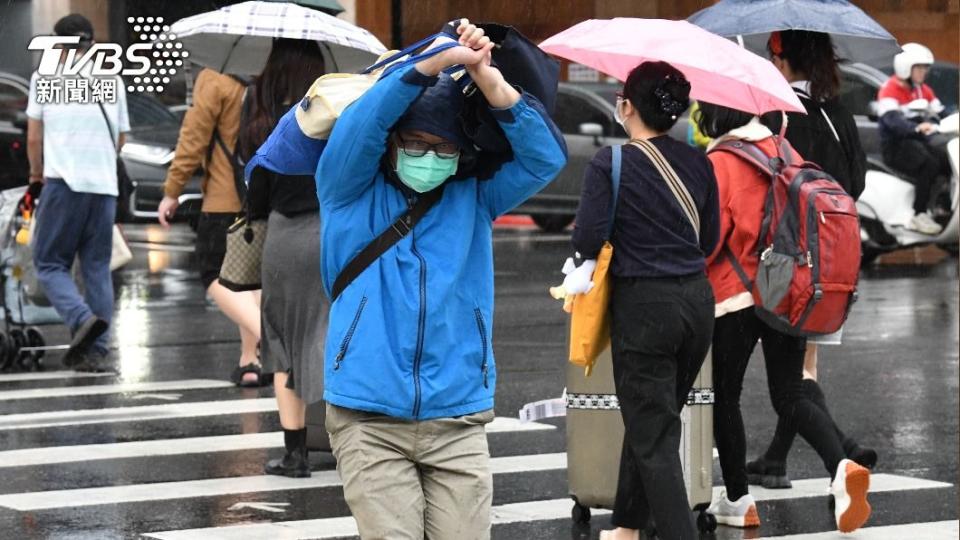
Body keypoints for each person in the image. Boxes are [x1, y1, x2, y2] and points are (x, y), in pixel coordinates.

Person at [316, 19, 566, 539]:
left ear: (462, 155)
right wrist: (428, 65)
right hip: (369, 418)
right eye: (416, 144)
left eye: (444, 150)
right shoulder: (348, 193)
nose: (429, 158)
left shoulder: (473, 198)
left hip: (457, 417)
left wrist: (487, 77)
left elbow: (547, 158)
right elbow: (358, 128)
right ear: (391, 145)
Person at [699, 101, 871, 533]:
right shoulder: (785, 149)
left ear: (717, 117)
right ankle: (841, 468)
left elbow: (712, 237)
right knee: (790, 393)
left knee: (726, 394)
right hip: (786, 290)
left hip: (735, 296)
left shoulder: (721, 160)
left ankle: (739, 500)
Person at [567, 61, 719, 540]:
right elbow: (710, 237)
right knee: (651, 417)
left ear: (627, 105)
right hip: (697, 302)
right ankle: (628, 526)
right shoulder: (700, 161)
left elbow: (588, 239)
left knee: (653, 433)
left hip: (644, 307)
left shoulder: (610, 163)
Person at [746, 29, 875, 490]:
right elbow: (856, 182)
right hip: (836, 261)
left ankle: (843, 452)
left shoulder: (777, 116)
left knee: (791, 374)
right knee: (804, 367)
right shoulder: (838, 113)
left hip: (785, 262)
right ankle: (777, 461)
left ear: (782, 60)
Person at [238, 38, 327, 477]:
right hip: (336, 232)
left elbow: (255, 193)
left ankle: (295, 454)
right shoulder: (339, 114)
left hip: (284, 234)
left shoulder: (265, 119)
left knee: (283, 340)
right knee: (330, 335)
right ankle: (349, 441)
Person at [26, 14, 129, 372]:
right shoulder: (111, 80)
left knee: (49, 262)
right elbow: (121, 138)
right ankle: (95, 352)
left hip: (63, 184)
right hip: (103, 188)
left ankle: (81, 317)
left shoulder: (45, 79)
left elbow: (34, 137)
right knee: (97, 268)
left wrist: (36, 174)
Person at [158, 67, 264, 386]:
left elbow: (194, 137)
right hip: (266, 197)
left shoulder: (216, 78)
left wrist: (172, 191)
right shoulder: (270, 74)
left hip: (224, 201)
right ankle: (250, 361)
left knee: (212, 272)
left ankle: (272, 342)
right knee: (249, 280)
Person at [877, 42, 951, 235]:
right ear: (905, 67)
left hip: (917, 141)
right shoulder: (889, 89)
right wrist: (917, 127)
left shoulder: (923, 90)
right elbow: (892, 122)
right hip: (895, 145)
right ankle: (919, 214)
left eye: (925, 68)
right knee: (929, 163)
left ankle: (942, 205)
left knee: (946, 159)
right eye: (919, 68)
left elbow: (943, 112)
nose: (923, 72)